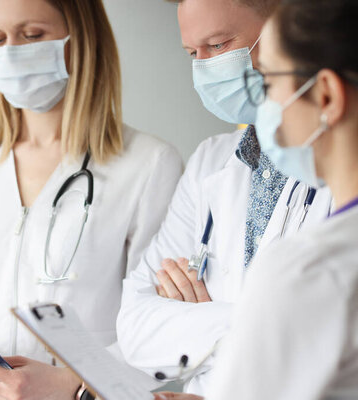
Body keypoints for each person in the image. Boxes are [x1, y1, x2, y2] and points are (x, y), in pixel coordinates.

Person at [0, 0, 183, 399]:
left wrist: (76, 386)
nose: (11, 51)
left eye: (32, 35)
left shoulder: (148, 165)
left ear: (82, 40)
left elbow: (157, 324)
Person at [117, 0, 332, 395]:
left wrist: (196, 321)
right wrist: (260, 325)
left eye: (217, 46)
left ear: (285, 30)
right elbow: (134, 327)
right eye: (192, 54)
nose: (204, 68)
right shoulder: (210, 163)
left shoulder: (337, 166)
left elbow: (324, 340)